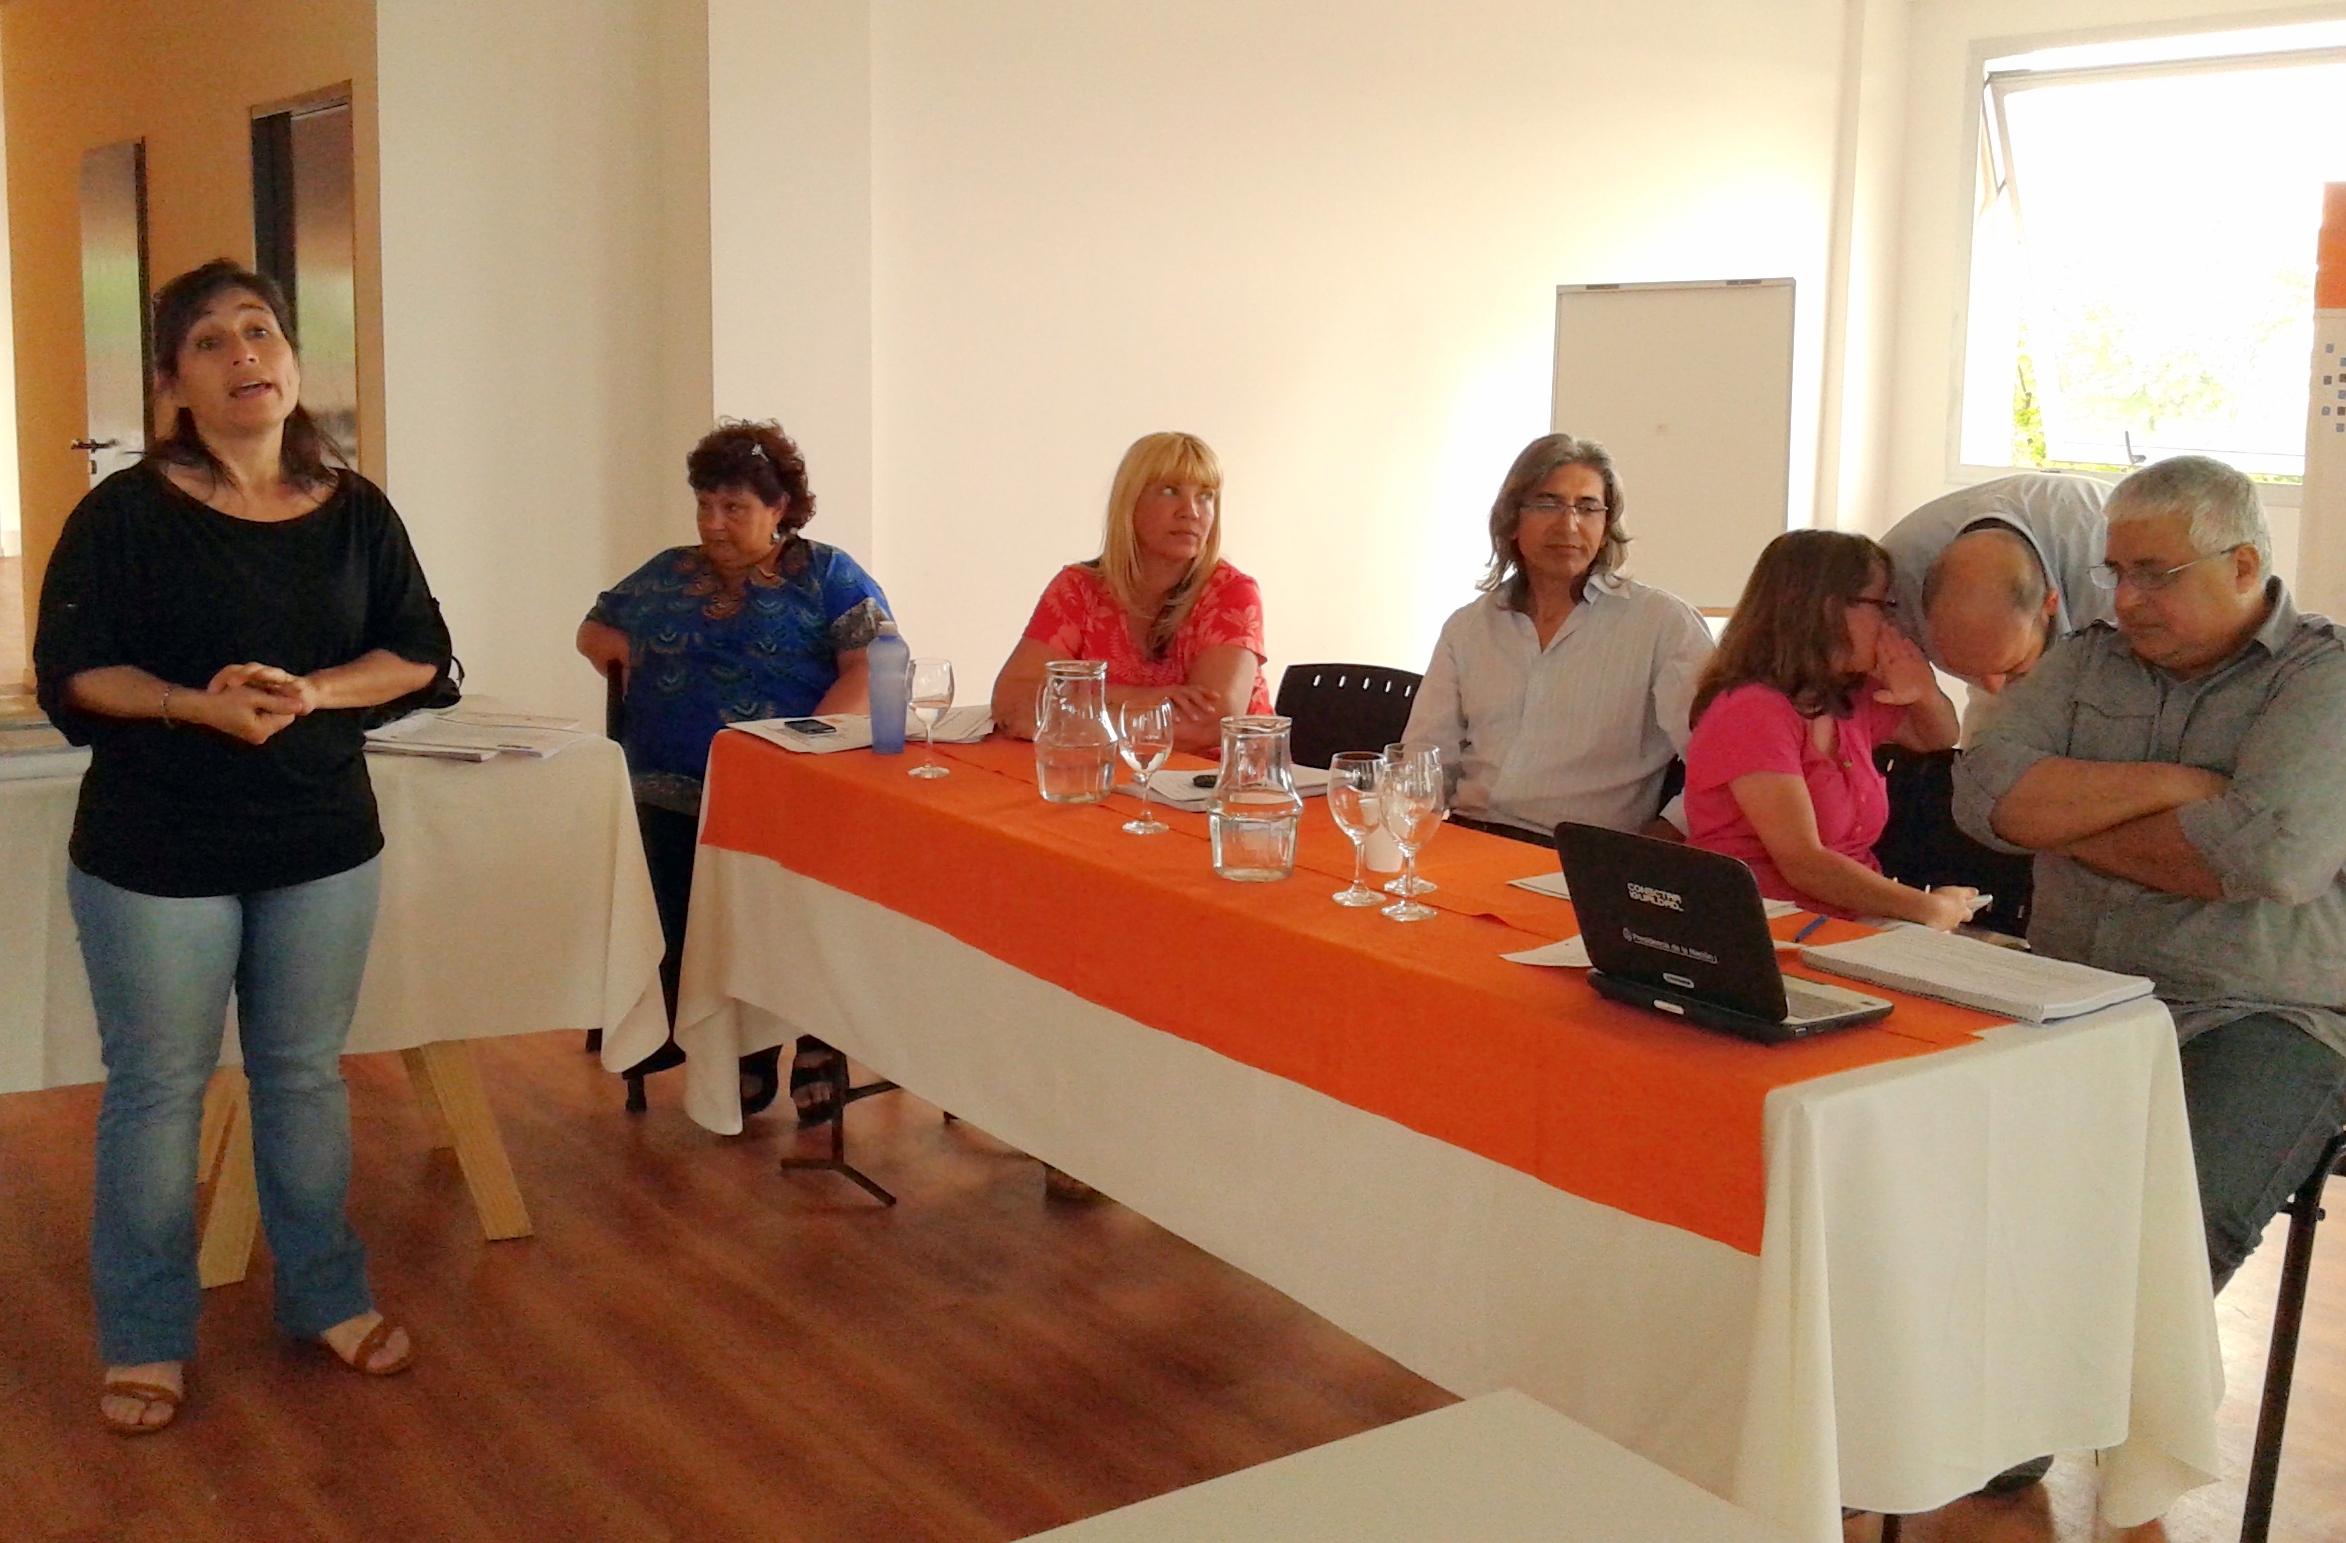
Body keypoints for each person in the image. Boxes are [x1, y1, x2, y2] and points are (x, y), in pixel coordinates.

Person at [34, 259, 453, 1434]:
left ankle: (325, 1293)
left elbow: (418, 650)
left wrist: (314, 691)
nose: (244, 355)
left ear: (294, 358)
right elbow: (74, 670)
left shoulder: (355, 509)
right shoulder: (122, 514)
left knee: (304, 1076)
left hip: (321, 838)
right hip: (156, 847)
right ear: (173, 381)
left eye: (260, 330)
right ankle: (145, 1333)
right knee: (159, 1090)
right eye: (210, 341)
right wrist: (191, 704)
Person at [1955, 456, 2346, 1296]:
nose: (2126, 598)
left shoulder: (2323, 677)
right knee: (1944, 1187)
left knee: (2167, 1234)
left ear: (2243, 565)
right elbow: (1982, 795)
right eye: (2117, 571)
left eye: (2155, 574)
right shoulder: (2088, 660)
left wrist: (2068, 823)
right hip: (2069, 987)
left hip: (2252, 1013)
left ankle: (2101, 1384)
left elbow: (2272, 858)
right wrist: (2178, 788)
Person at [579, 420, 890, 1124]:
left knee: (791, 903)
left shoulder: (826, 573)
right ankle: (739, 1045)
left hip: (786, 786)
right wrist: (621, 653)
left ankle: (816, 1039)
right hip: (670, 790)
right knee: (683, 902)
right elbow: (592, 628)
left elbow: (875, 664)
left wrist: (800, 748)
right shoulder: (668, 570)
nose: (713, 523)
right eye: (705, 505)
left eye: (734, 508)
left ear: (780, 509)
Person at [1402, 433, 1711, 842]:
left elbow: (1721, 763)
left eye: (1587, 507)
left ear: (1606, 525)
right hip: (1469, 838)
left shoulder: (1664, 625)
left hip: (1581, 853)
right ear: (1512, 520)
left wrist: (1657, 842)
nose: (1568, 525)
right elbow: (1425, 759)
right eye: (1547, 504)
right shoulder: (1469, 627)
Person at [1682, 530, 1975, 928]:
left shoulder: (1847, 695)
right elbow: (1804, 862)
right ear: (1829, 609)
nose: (1890, 623)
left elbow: (1938, 737)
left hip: (1842, 921)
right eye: (1883, 605)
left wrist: (1922, 691)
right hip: (1758, 926)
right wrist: (1929, 908)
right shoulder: (1751, 710)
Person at [991, 431, 1270, 756]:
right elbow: (1011, 702)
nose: (1191, 511)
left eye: (1205, 496)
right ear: (1130, 501)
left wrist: (1076, 708)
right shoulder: (1078, 587)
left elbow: (1206, 726)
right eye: (1170, 491)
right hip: (1107, 773)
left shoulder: (1232, 592)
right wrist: (1137, 699)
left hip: (1219, 780)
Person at [1879, 471, 2113, 699]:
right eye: (1964, 668)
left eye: (2013, 666)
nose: (1993, 688)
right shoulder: (1894, 578)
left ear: (2050, 603)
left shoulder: (2111, 570)